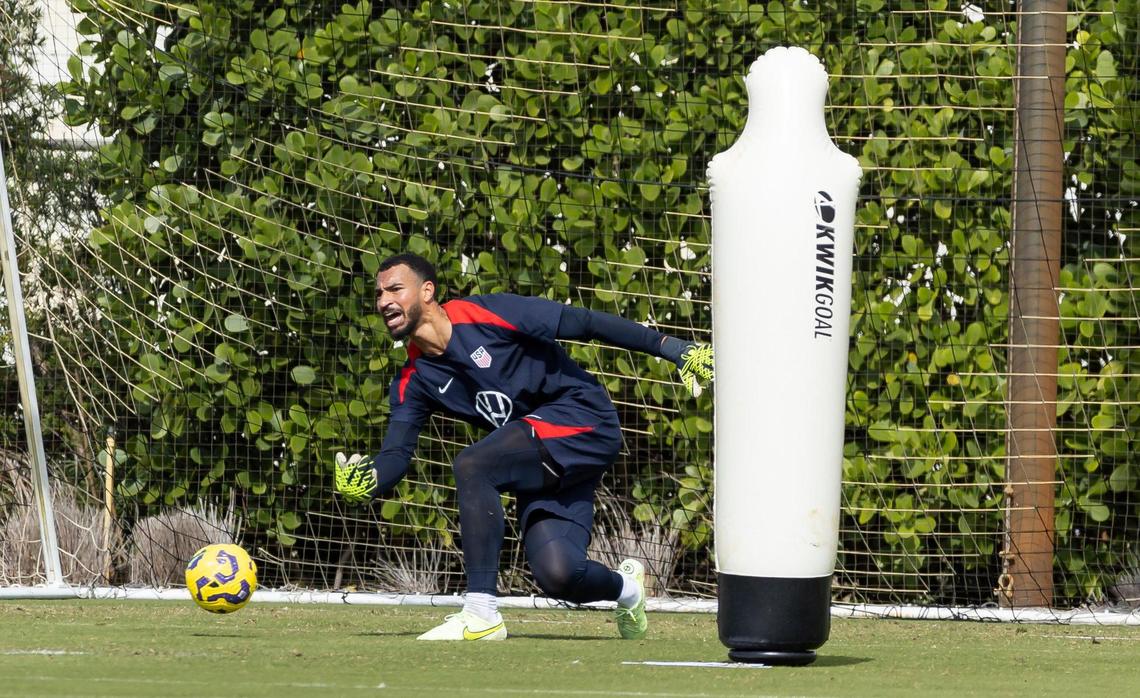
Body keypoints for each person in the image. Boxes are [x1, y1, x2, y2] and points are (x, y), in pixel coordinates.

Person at [334, 252, 713, 641]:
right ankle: (629, 589)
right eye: (379, 294)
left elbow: (584, 323)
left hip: (582, 420)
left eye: (395, 289)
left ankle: (481, 613)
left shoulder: (486, 313)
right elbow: (396, 455)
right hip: (543, 458)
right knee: (559, 575)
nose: (384, 301)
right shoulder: (412, 380)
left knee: (474, 464)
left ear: (427, 291)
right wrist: (370, 480)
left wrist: (673, 348)